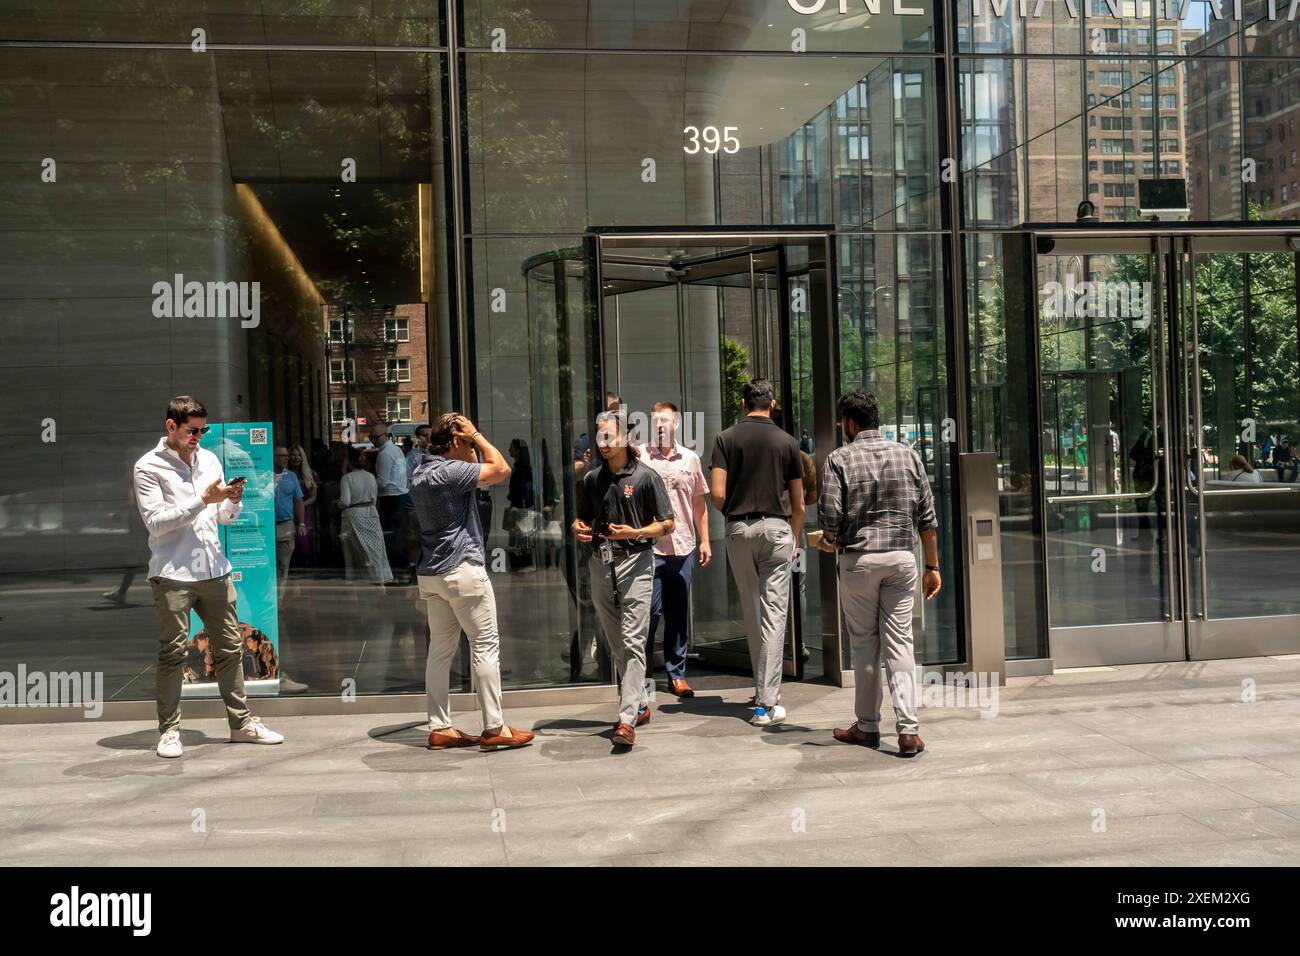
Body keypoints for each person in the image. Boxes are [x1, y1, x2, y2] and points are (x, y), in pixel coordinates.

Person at [133, 395, 283, 758]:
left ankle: (242, 724)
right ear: (171, 426)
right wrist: (204, 498)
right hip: (173, 573)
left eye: (203, 430)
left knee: (231, 648)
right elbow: (156, 522)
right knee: (173, 653)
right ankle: (169, 731)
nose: (198, 436)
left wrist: (231, 500)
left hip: (215, 569)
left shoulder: (210, 459)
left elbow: (224, 518)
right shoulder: (148, 467)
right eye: (192, 430)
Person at [816, 389, 940, 758]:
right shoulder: (909, 456)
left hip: (859, 560)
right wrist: (932, 566)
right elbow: (928, 520)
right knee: (900, 642)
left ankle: (867, 726)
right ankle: (908, 730)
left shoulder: (840, 459)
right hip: (902, 559)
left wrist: (827, 540)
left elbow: (830, 520)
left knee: (865, 644)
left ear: (850, 422)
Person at [411, 413, 535, 752]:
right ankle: (494, 727)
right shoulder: (450, 471)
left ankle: (440, 727)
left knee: (440, 650)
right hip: (461, 569)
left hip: (432, 574)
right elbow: (502, 469)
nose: (474, 453)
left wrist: (471, 441)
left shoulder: (421, 471)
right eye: (467, 445)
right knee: (485, 644)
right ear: (454, 442)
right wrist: (478, 434)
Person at [573, 411, 675, 748]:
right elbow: (582, 519)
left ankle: (626, 718)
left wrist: (636, 532)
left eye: (609, 437)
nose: (603, 444)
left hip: (637, 562)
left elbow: (668, 524)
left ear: (625, 439)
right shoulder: (591, 480)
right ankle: (641, 703)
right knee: (616, 643)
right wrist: (578, 528)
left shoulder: (646, 477)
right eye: (599, 437)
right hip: (601, 564)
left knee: (632, 642)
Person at [710, 378, 804, 726]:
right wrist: (794, 539)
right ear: (773, 404)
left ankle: (762, 694)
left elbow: (717, 494)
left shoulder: (725, 438)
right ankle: (767, 702)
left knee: (752, 612)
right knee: (774, 615)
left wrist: (735, 515)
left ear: (742, 401)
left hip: (738, 528)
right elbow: (799, 503)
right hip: (777, 529)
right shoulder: (788, 442)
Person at [640, 401, 711, 698]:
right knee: (649, 612)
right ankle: (642, 674)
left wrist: (705, 540)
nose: (659, 425)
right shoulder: (640, 457)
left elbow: (698, 503)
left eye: (665, 421)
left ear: (676, 424)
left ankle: (677, 674)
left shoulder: (690, 459)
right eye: (655, 420)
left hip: (682, 546)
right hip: (650, 548)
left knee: (678, 614)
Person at [338, 445, 393, 585]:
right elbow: (374, 498)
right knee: (375, 547)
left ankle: (358, 579)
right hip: (371, 513)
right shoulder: (370, 477)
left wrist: (336, 504)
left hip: (353, 515)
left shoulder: (347, 478)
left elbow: (345, 501)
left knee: (354, 551)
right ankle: (380, 578)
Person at [371, 421, 415, 579]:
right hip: (399, 497)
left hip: (392, 499)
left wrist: (367, 481)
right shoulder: (395, 449)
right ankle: (405, 568)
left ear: (385, 436)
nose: (373, 440)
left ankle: (405, 567)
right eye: (372, 436)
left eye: (376, 437)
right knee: (396, 537)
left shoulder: (385, 454)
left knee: (389, 538)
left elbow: (382, 482)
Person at [288, 445, 317, 566]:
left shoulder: (310, 474)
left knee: (303, 544)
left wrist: (300, 505)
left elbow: (314, 497)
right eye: (293, 455)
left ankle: (305, 569)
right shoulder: (285, 474)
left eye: (299, 455)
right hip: (288, 513)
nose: (296, 458)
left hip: (304, 514)